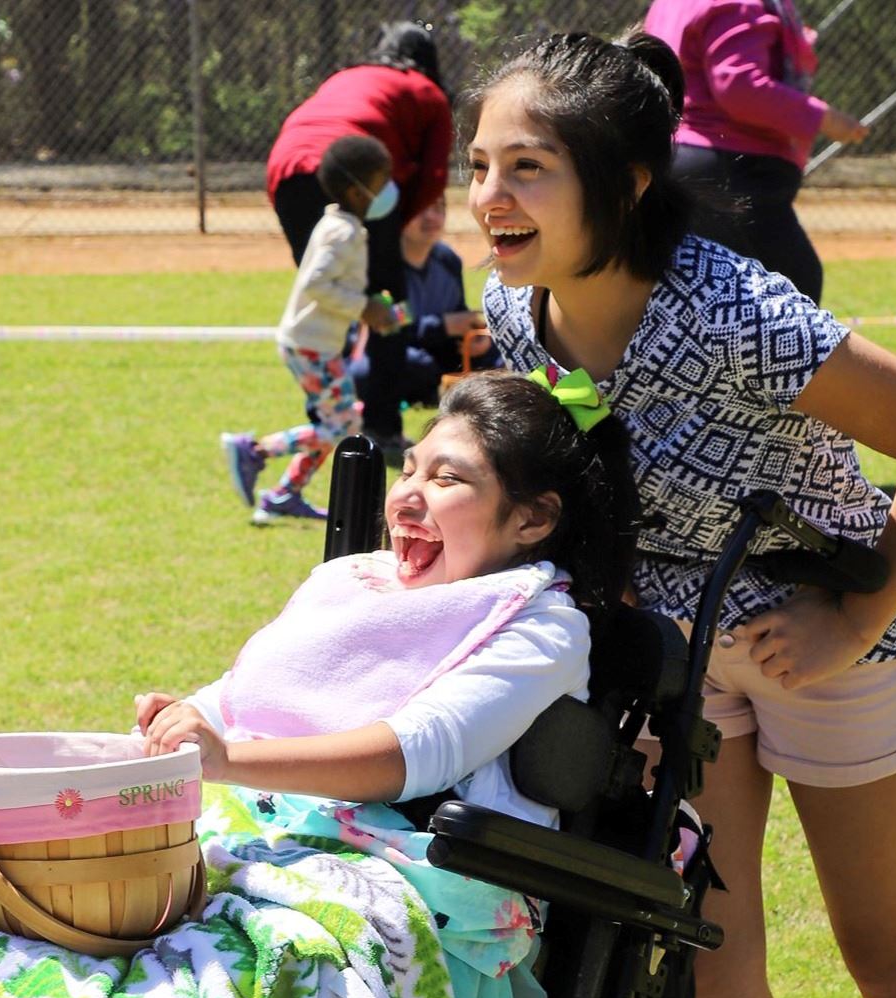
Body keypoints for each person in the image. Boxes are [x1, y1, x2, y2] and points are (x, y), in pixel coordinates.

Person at [469, 30, 896, 998]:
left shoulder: (730, 307)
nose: (488, 198)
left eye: (526, 168)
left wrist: (852, 610)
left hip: (828, 626)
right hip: (679, 649)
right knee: (707, 957)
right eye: (480, 166)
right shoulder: (508, 308)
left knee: (886, 941)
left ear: (628, 180)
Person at [167, 369, 635, 823]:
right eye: (407, 471)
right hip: (281, 827)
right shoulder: (361, 580)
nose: (405, 498)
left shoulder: (544, 626)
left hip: (424, 867)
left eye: (445, 478)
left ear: (532, 519)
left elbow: (418, 753)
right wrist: (186, 722)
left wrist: (228, 759)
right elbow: (249, 692)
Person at [264, 20, 454, 463]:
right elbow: (434, 177)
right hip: (353, 182)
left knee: (333, 295)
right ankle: (382, 427)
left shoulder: (346, 74)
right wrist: (391, 234)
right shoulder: (427, 92)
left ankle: (327, 422)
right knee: (390, 307)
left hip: (287, 170)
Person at [220, 134, 401, 525]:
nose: (388, 188)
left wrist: (370, 305)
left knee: (338, 420)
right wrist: (363, 308)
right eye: (381, 179)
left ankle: (284, 495)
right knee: (342, 425)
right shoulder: (343, 231)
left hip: (319, 344)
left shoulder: (341, 224)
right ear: (356, 190)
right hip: (310, 346)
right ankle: (254, 450)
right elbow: (316, 284)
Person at [643, 0, 868, 304]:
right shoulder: (740, 3)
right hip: (730, 169)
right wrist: (822, 117)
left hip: (672, 160)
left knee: (692, 302)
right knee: (793, 295)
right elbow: (739, 84)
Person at [351, 193, 499, 412]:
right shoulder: (384, 266)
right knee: (406, 365)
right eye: (421, 208)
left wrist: (474, 339)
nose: (431, 216)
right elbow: (386, 324)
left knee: (498, 352)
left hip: (439, 350)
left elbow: (456, 312)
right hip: (394, 349)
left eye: (439, 208)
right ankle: (442, 391)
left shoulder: (448, 260)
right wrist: (443, 325)